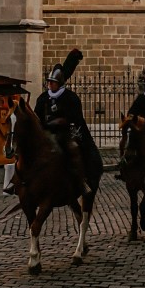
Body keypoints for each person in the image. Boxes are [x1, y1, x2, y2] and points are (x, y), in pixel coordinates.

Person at [34, 64, 94, 196]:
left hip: (64, 133)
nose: (50, 84)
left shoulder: (70, 97)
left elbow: (76, 117)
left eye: (53, 82)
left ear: (59, 83)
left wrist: (64, 120)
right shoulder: (43, 98)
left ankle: (81, 181)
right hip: (46, 132)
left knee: (73, 149)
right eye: (49, 82)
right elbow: (36, 115)